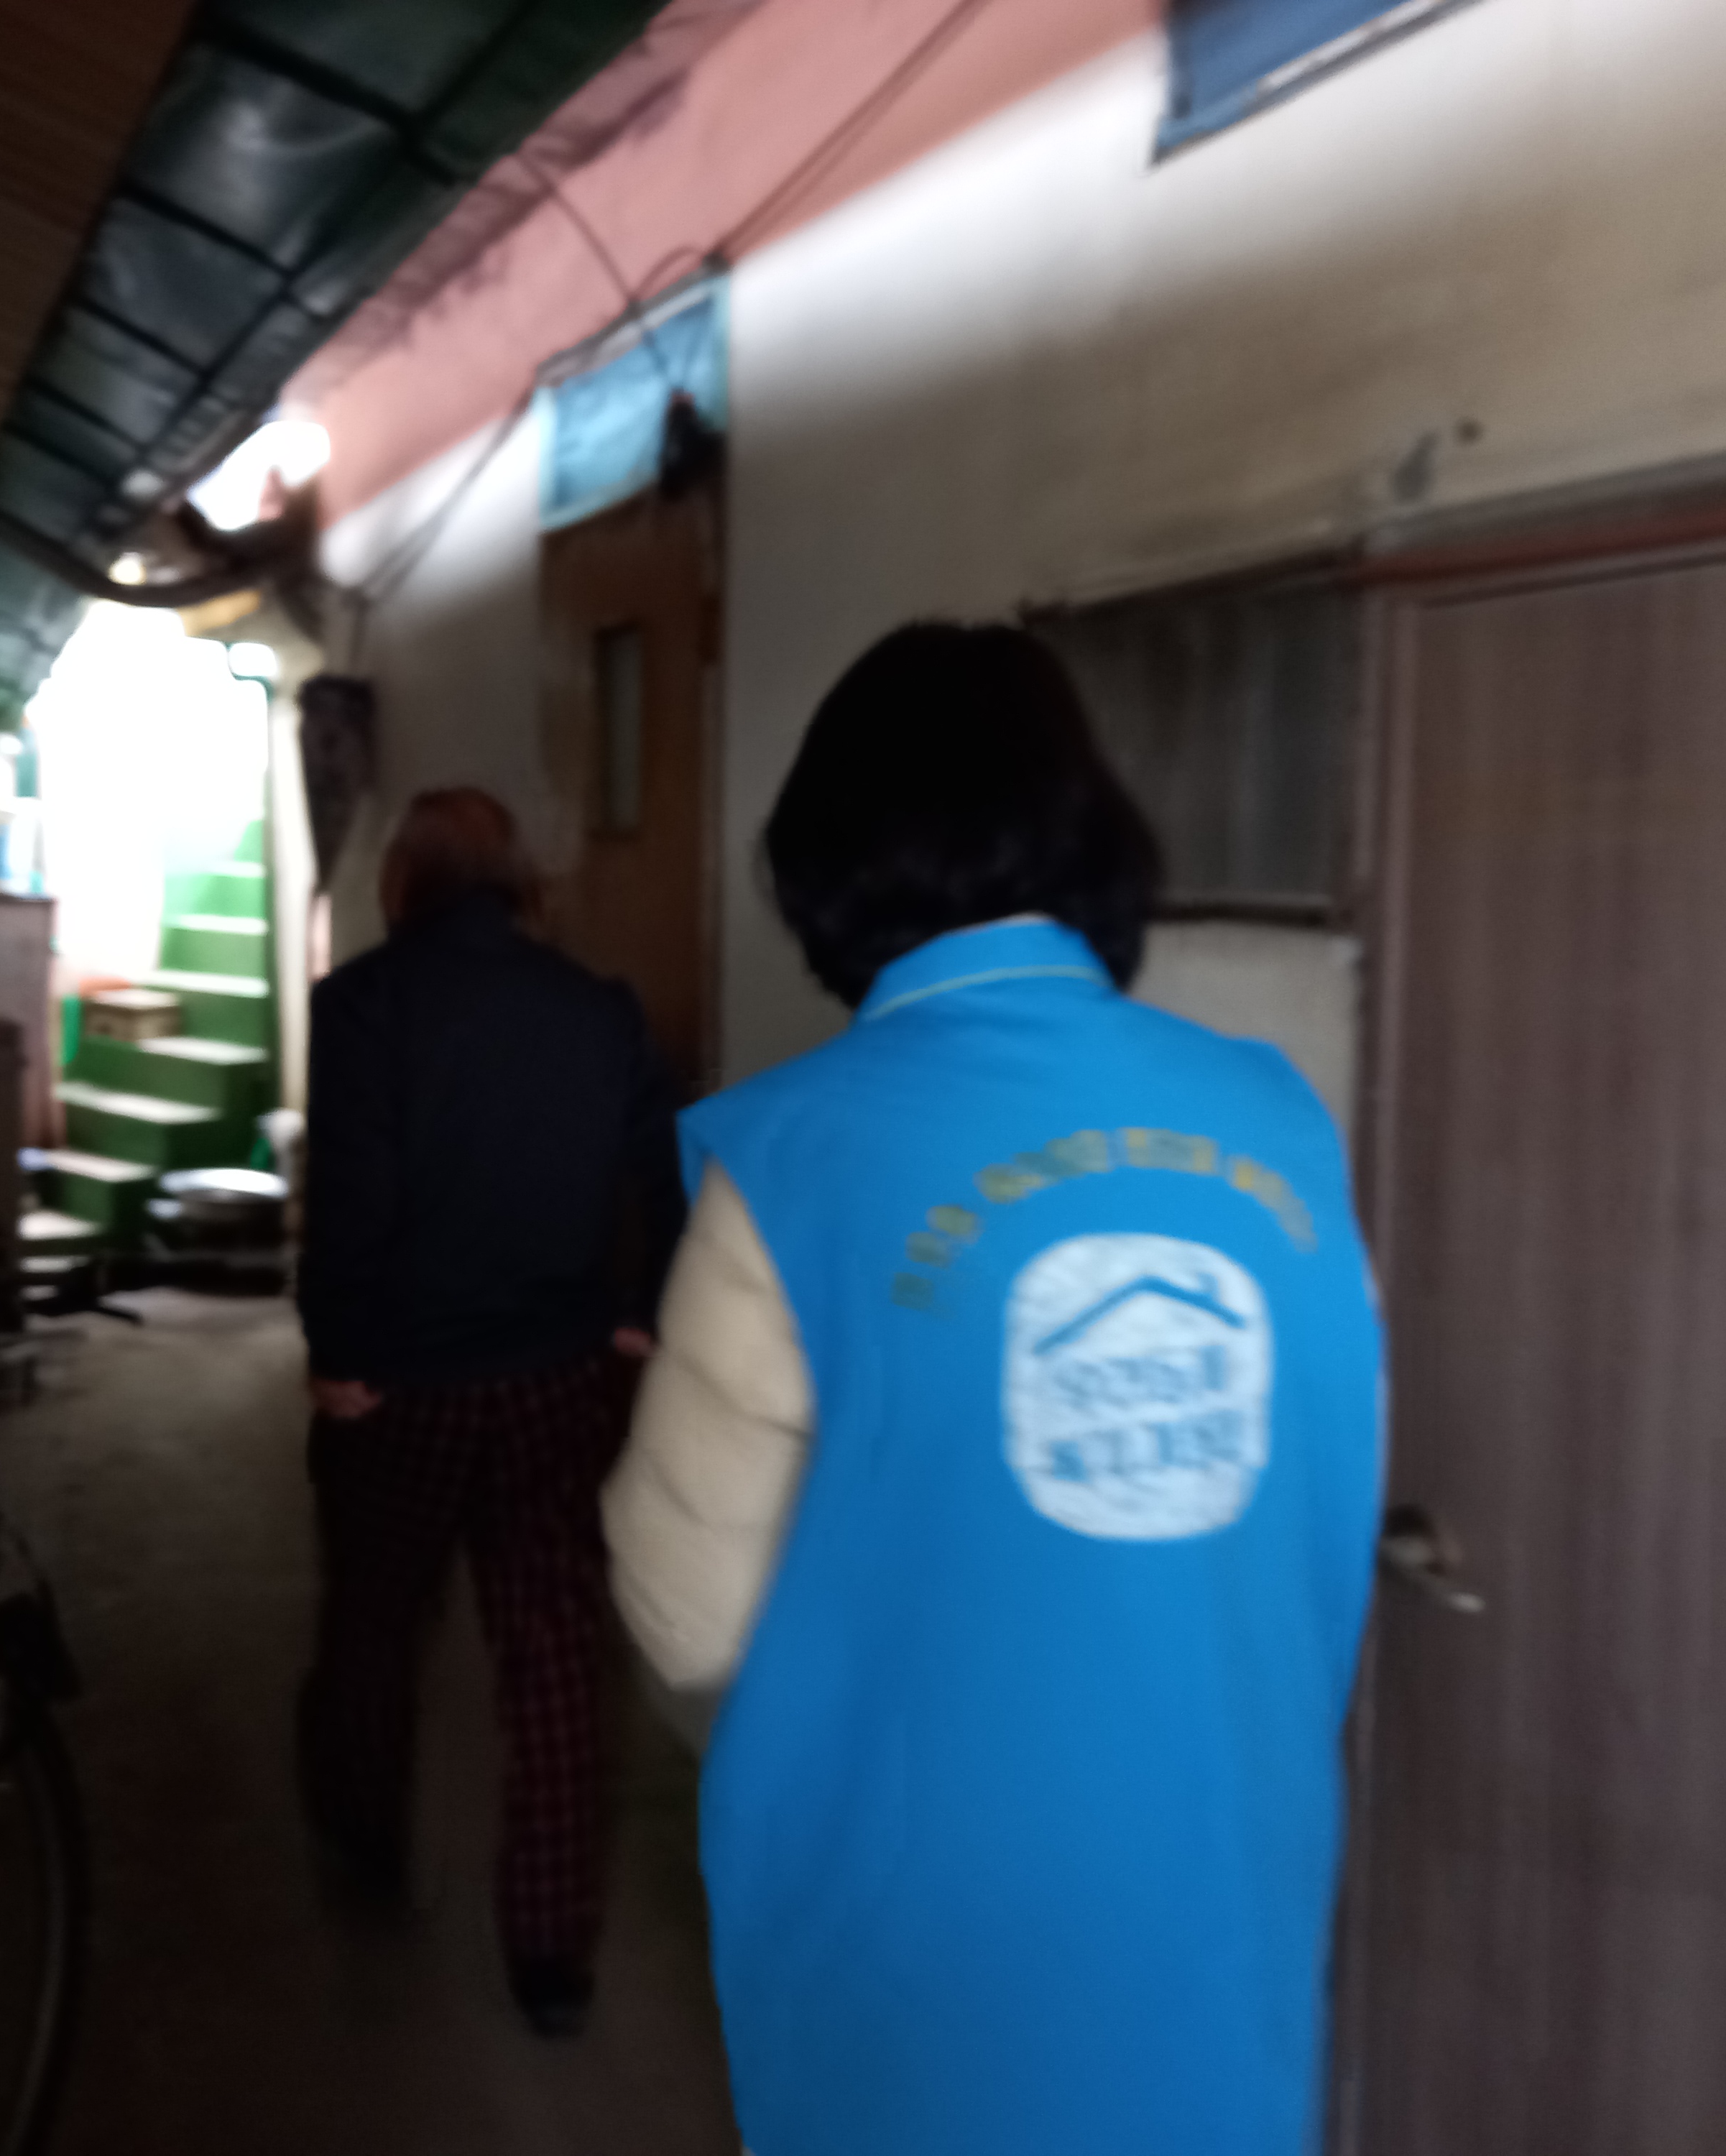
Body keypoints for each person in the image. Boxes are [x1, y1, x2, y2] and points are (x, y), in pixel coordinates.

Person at [604, 624, 1385, 2155]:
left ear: (826, 862)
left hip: (922, 1944)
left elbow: (682, 1616)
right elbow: (1320, 1510)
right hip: (1221, 1895)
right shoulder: (1277, 1123)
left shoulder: (796, 1157)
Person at [296, 786, 685, 2037]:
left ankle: (366, 1842)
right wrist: (643, 1306)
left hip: (400, 1385)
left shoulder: (362, 1005)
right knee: (556, 1655)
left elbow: (350, 1198)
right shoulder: (598, 1008)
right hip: (554, 1378)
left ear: (403, 882)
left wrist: (336, 1349)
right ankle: (551, 1959)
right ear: (521, 882)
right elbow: (669, 1168)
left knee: (374, 1617)